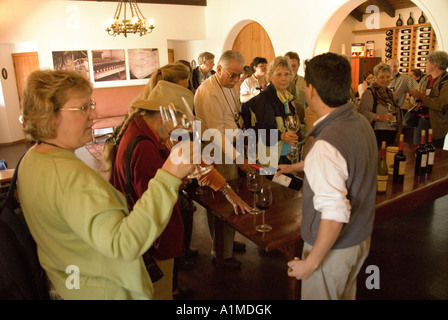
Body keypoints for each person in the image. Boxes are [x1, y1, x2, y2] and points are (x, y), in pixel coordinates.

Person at [17, 69, 194, 300]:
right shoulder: (69, 176)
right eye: (83, 108)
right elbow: (124, 244)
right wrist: (169, 175)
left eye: (91, 104)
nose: (94, 114)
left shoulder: (32, 158)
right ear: (49, 114)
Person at [104, 64, 250, 298]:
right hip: (153, 241)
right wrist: (177, 180)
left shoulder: (147, 131)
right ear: (165, 115)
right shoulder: (144, 146)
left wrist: (226, 190)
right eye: (181, 122)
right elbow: (151, 208)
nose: (182, 130)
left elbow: (197, 164)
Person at [278, 52, 377, 300]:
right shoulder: (360, 122)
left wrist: (310, 264)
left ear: (310, 90)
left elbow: (334, 212)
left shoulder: (327, 144)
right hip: (359, 238)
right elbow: (346, 164)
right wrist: (300, 165)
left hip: (333, 249)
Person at [194, 50, 252, 269]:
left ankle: (228, 242)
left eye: (239, 75)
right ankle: (220, 252)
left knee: (233, 196)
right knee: (221, 200)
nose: (236, 80)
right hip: (215, 149)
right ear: (218, 69)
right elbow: (216, 133)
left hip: (230, 146)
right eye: (232, 75)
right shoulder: (208, 92)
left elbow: (232, 117)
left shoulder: (229, 85)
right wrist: (238, 158)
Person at [241, 56, 299, 166]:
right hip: (271, 156)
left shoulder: (287, 97)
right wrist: (281, 136)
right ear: (271, 76)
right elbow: (262, 132)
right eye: (279, 74)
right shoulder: (265, 98)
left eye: (287, 74)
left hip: (286, 152)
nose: (284, 78)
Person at [410, 50, 448, 148]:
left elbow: (442, 104)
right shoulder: (425, 79)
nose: (425, 64)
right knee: (417, 151)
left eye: (427, 62)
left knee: (433, 155)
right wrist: (415, 97)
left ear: (435, 64)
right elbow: (414, 100)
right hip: (420, 121)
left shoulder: (446, 82)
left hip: (436, 124)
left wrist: (423, 98)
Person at [358, 62, 402, 146]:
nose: (385, 80)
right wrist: (380, 117)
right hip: (377, 133)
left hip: (391, 132)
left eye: (388, 77)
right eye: (382, 77)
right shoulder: (370, 92)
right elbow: (363, 111)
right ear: (375, 78)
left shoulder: (390, 93)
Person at [284, 51, 306, 124]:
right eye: (289, 66)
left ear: (298, 65)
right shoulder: (279, 83)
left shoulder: (305, 82)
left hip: (302, 118)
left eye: (294, 66)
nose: (291, 69)